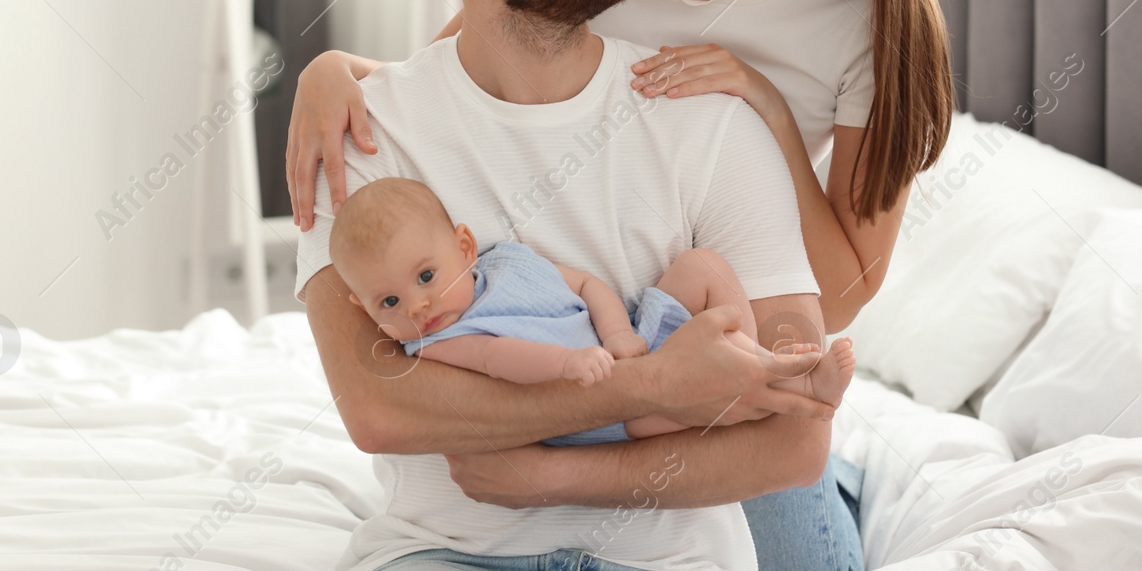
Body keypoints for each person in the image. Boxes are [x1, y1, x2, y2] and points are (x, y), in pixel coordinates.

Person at [288, 0, 954, 571]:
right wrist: (333, 68)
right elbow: (476, 48)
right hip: (576, 327)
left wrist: (756, 102)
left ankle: (843, 483)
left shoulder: (871, 24)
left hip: (718, 348)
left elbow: (836, 292)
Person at [327, 176, 857, 446]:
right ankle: (788, 391)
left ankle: (761, 361)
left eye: (425, 277)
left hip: (627, 347)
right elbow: (497, 358)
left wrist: (618, 331)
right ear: (364, 307)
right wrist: (566, 367)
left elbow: (584, 282)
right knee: (695, 410)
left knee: (702, 267)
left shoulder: (507, 261)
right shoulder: (437, 341)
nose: (417, 306)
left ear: (464, 249)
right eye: (389, 302)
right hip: (599, 410)